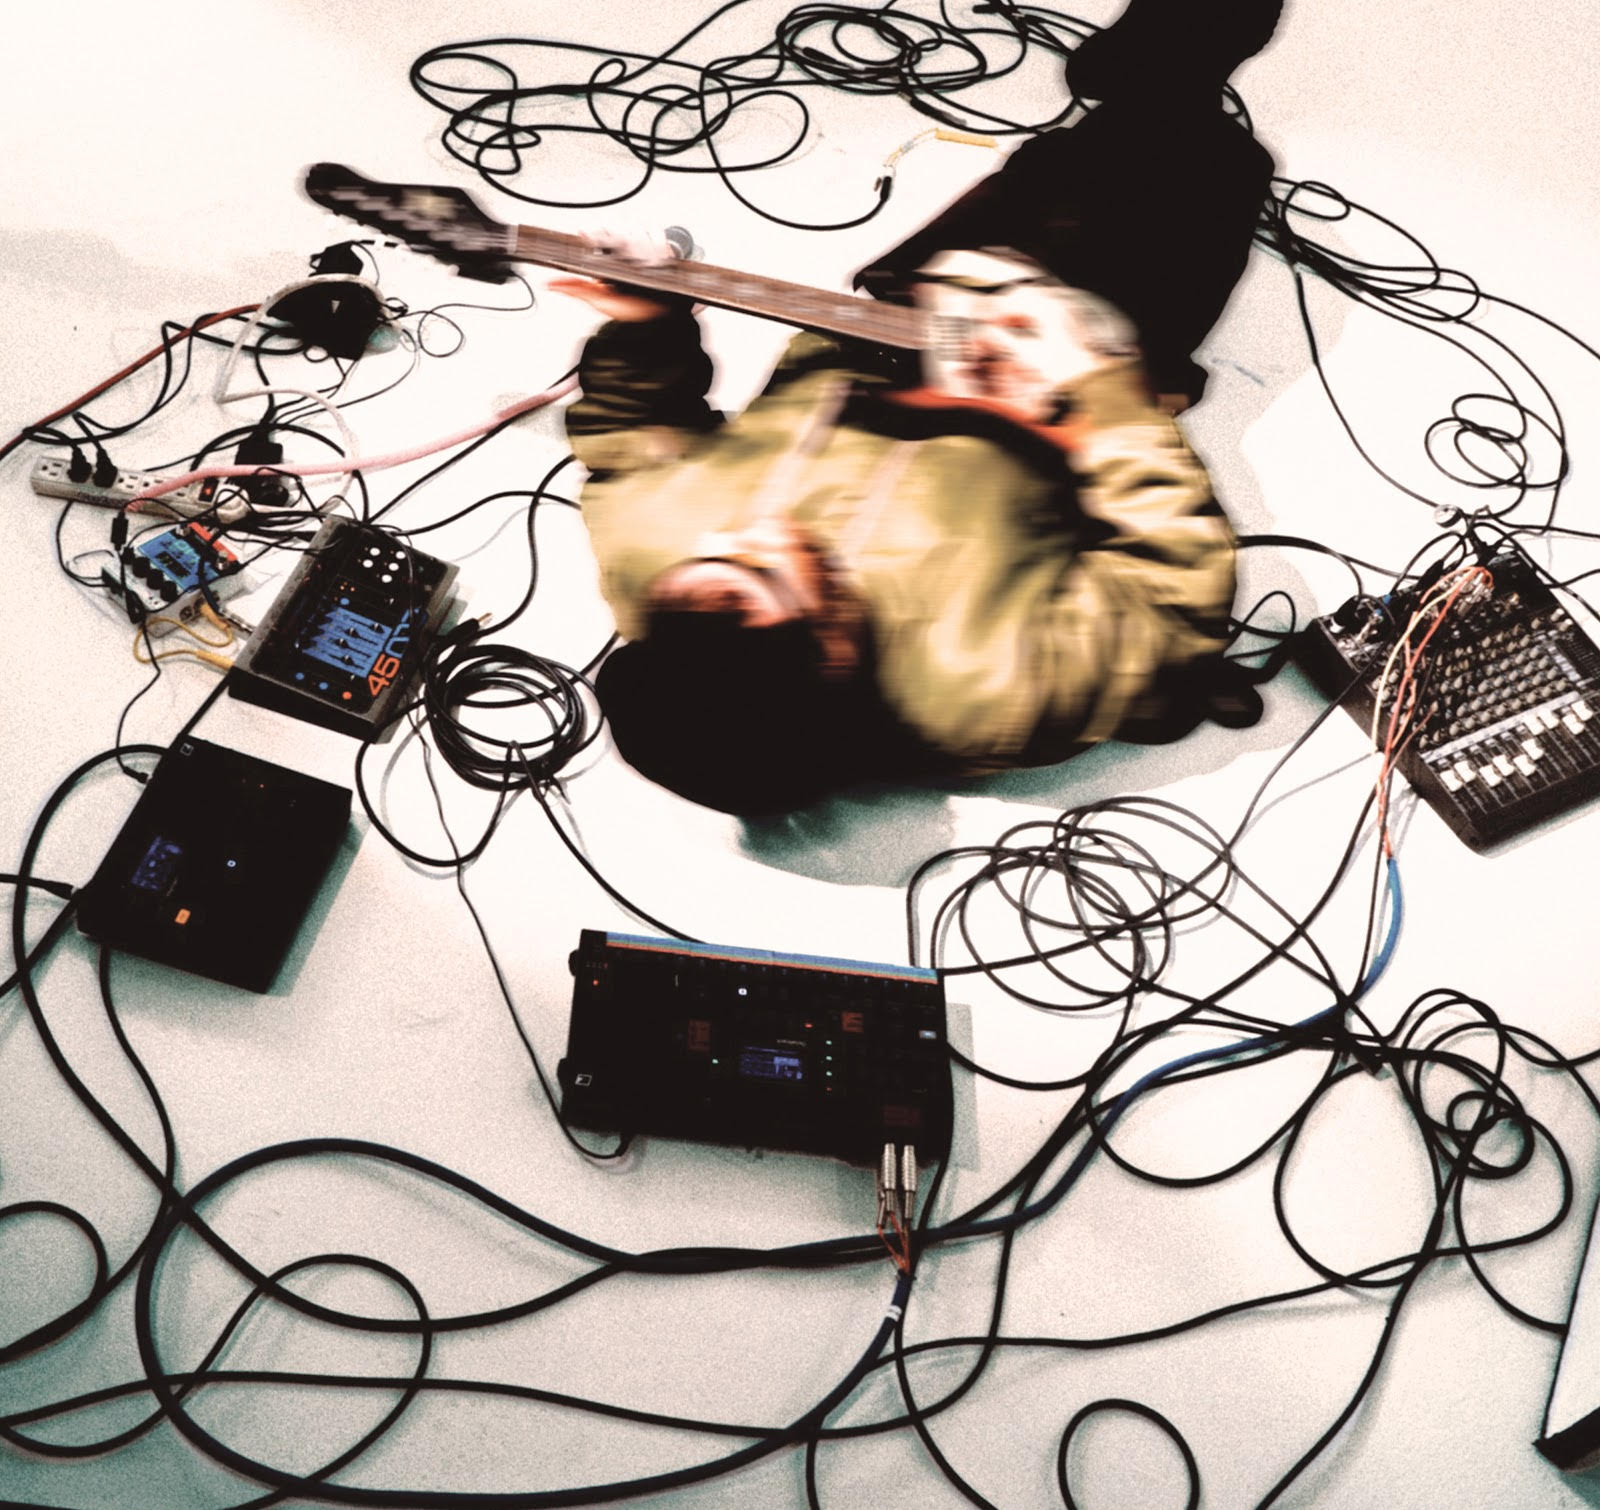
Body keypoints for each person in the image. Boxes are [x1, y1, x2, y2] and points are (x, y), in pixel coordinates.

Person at [556, 0, 1281, 815]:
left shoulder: (651, 569)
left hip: (893, 321)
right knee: (1213, 165)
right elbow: (1169, 603)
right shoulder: (992, 700)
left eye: (709, 561)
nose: (747, 533)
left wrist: (645, 325)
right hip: (1060, 376)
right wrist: (1099, 399)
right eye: (766, 571)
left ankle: (1129, 96)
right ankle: (1173, 89)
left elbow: (629, 436)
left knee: (1050, 171)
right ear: (833, 653)